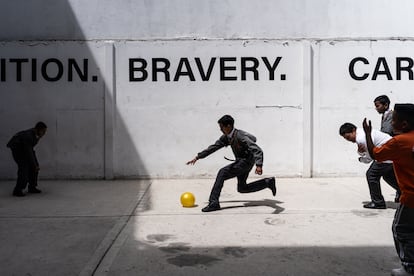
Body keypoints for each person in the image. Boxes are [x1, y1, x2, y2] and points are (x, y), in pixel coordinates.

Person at [363, 104, 414, 276]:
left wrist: (368, 134)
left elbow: (376, 154)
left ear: (404, 124)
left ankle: (409, 267)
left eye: (395, 120)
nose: (391, 123)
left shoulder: (400, 142)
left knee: (401, 229)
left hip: (411, 198)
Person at [186, 115, 276, 212]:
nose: (220, 130)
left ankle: (213, 203)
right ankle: (267, 182)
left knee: (222, 173)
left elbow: (257, 150)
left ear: (228, 126)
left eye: (221, 127)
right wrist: (198, 157)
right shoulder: (227, 137)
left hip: (245, 162)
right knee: (242, 188)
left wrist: (259, 165)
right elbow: (214, 147)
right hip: (241, 162)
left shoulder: (240, 136)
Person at [339, 122, 400, 209]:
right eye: (346, 139)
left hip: (386, 155)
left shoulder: (361, 138)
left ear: (353, 130)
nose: (349, 140)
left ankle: (378, 202)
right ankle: (405, 192)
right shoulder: (361, 133)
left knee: (371, 174)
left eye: (348, 137)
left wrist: (361, 158)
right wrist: (361, 153)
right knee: (387, 175)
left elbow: (370, 157)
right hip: (392, 154)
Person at [6, 122, 47, 197]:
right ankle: (17, 190)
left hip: (26, 149)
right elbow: (29, 153)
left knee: (35, 167)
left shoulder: (36, 135)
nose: (44, 133)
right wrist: (34, 165)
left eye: (45, 131)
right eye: (43, 131)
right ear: (37, 129)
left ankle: (32, 187)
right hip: (17, 150)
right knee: (24, 168)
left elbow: (30, 150)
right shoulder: (28, 136)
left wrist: (35, 165)